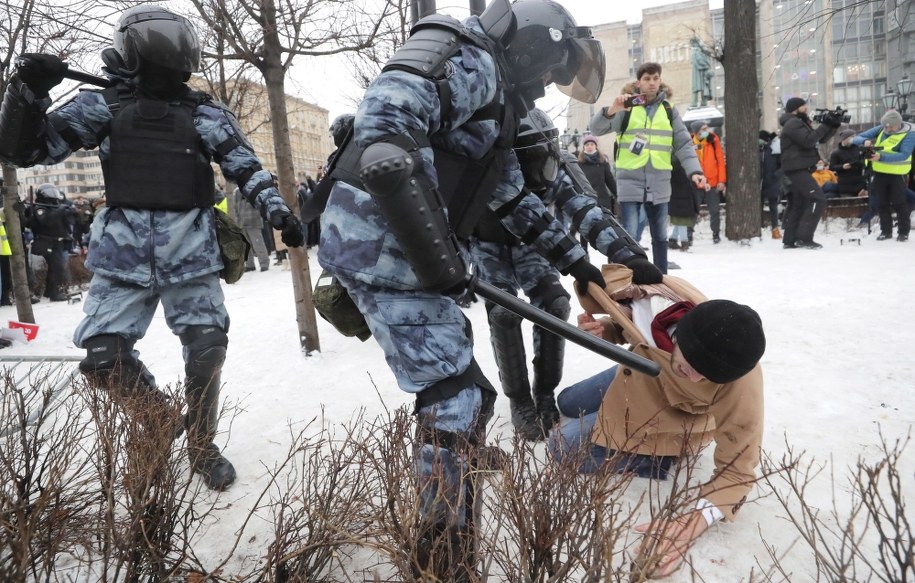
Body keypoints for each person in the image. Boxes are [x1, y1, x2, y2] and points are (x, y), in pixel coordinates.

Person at [316, 0, 614, 576]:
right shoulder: (467, 57)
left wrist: (577, 263)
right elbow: (383, 135)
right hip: (383, 251)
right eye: (548, 71)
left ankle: (459, 459)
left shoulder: (496, 98)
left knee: (468, 392)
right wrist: (437, 259)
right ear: (532, 47)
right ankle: (444, 554)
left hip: (396, 252)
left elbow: (512, 196)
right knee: (453, 398)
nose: (546, 85)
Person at [0, 5, 304, 491]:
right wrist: (27, 91)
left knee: (207, 348)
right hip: (122, 257)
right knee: (104, 359)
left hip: (190, 254)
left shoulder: (205, 114)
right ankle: (160, 420)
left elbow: (246, 167)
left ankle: (202, 445)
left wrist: (279, 212)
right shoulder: (102, 106)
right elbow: (24, 150)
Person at [550, 263, 766, 579]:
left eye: (707, 376)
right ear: (682, 335)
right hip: (639, 368)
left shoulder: (740, 380)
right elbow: (631, 323)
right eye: (693, 365)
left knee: (561, 446)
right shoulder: (666, 304)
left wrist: (697, 519)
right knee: (567, 401)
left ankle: (658, 458)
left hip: (669, 410)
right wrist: (605, 329)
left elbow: (739, 467)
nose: (697, 378)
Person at [470, 109, 658, 442]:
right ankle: (519, 398)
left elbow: (585, 210)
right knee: (504, 312)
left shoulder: (556, 168)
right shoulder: (484, 166)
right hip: (489, 247)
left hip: (536, 245)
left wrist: (626, 253)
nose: (538, 164)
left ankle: (544, 391)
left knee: (555, 304)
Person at [590, 62, 708, 274]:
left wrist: (695, 171)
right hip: (630, 182)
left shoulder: (668, 110)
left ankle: (661, 277)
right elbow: (596, 129)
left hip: (659, 183)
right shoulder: (627, 107)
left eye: (655, 78)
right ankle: (629, 277)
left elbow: (683, 144)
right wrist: (612, 110)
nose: (652, 83)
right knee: (630, 236)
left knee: (660, 236)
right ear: (638, 82)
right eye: (647, 79)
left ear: (660, 80)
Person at [777, 96, 841, 249]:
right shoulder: (793, 123)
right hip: (797, 169)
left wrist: (833, 125)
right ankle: (804, 238)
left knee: (799, 203)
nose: (806, 108)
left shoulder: (799, 122)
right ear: (795, 109)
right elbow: (808, 141)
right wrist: (825, 124)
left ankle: (790, 240)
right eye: (803, 106)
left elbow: (820, 139)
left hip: (798, 168)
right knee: (818, 199)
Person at [853, 109, 915, 242]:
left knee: (899, 203)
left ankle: (903, 232)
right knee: (882, 203)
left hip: (897, 173)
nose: (887, 129)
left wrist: (880, 157)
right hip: (879, 172)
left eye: (890, 127)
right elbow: (856, 138)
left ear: (898, 124)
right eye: (885, 126)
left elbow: (904, 154)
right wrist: (865, 141)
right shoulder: (882, 127)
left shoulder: (910, 133)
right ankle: (886, 231)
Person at [24, 183, 75, 301]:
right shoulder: (39, 208)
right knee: (57, 267)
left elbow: (67, 223)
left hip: (57, 242)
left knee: (55, 268)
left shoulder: (54, 207)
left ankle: (49, 292)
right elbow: (47, 221)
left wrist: (70, 212)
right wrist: (60, 210)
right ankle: (55, 293)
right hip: (46, 242)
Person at [690, 120, 727, 243]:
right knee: (693, 210)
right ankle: (689, 234)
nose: (707, 131)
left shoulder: (713, 141)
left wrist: (721, 180)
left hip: (712, 182)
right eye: (703, 129)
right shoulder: (689, 143)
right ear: (697, 132)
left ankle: (716, 234)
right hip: (696, 182)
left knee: (715, 210)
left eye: (707, 128)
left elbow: (720, 161)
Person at [577, 133, 618, 217]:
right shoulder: (579, 164)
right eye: (587, 145)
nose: (589, 146)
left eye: (592, 144)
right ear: (584, 147)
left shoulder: (603, 162)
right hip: (586, 200)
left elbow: (610, 180)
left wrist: (617, 194)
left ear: (596, 146)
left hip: (602, 199)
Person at [233, 186, 271, 272]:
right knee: (246, 246)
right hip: (241, 222)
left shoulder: (253, 188)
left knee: (258, 243)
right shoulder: (237, 192)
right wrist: (237, 220)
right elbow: (236, 207)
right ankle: (250, 265)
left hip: (253, 220)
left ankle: (264, 263)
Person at [667, 158, 699, 252]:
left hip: (681, 196)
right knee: (682, 221)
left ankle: (673, 240)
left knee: (680, 220)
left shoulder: (677, 165)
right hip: (681, 196)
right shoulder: (680, 166)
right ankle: (684, 243)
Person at [828, 129, 868, 197]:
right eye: (851, 137)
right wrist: (842, 167)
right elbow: (832, 167)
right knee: (847, 202)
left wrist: (859, 163)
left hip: (859, 184)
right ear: (844, 138)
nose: (853, 139)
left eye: (854, 137)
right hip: (845, 186)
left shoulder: (858, 149)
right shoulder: (836, 153)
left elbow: (865, 163)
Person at [759, 130, 783, 239]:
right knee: (757, 206)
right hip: (759, 182)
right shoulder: (757, 150)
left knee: (773, 206)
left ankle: (775, 229)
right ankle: (758, 228)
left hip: (772, 181)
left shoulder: (774, 149)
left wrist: (776, 175)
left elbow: (783, 165)